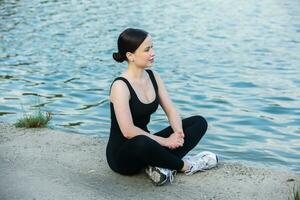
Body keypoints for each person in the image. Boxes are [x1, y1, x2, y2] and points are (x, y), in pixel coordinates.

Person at [106, 28, 218, 186]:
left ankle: (159, 165)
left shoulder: (153, 77)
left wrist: (178, 133)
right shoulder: (120, 86)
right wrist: (165, 141)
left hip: (148, 143)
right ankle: (186, 166)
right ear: (130, 56)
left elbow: (171, 110)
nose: (152, 52)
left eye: (152, 47)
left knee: (199, 122)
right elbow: (128, 131)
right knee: (142, 142)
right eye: (146, 49)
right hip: (124, 155)